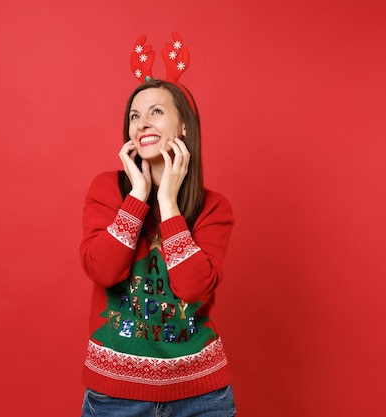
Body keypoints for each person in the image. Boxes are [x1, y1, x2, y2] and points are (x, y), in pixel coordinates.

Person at [79, 33, 237, 417]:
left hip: (200, 397)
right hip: (115, 397)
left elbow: (192, 288)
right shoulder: (107, 189)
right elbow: (102, 269)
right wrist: (138, 195)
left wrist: (167, 202)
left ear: (184, 127)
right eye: (135, 115)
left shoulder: (214, 208)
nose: (142, 123)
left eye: (156, 112)